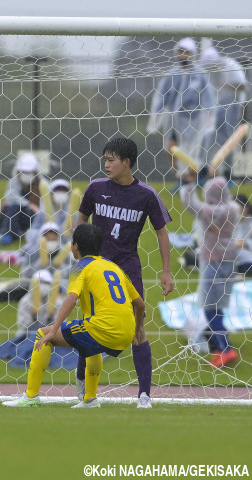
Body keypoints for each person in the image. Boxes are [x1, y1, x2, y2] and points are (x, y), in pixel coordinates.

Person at [77, 137, 175, 409]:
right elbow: (81, 219)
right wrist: (80, 255)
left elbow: (162, 232)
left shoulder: (146, 194)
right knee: (88, 324)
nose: (106, 165)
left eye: (111, 160)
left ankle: (144, 395)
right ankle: (84, 392)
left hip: (128, 267)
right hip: (97, 266)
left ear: (127, 162)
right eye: (105, 160)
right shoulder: (96, 188)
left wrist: (166, 271)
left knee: (137, 328)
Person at [2, 223, 145, 408]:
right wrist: (136, 330)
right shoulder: (113, 267)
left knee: (42, 334)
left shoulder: (80, 267)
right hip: (125, 332)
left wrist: (53, 330)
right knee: (90, 345)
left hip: (103, 327)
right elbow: (140, 303)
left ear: (75, 246)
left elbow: (71, 298)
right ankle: (90, 400)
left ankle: (30, 397)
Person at [180, 172, 241, 368]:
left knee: (209, 308)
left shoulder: (208, 212)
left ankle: (225, 350)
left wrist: (188, 183)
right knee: (219, 306)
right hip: (230, 261)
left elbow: (190, 203)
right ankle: (223, 347)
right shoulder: (233, 208)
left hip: (212, 262)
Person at [147, 37, 215, 188]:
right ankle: (182, 177)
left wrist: (210, 115)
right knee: (172, 149)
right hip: (174, 120)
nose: (183, 55)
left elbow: (208, 96)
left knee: (192, 152)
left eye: (186, 52)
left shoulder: (200, 74)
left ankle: (191, 181)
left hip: (193, 120)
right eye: (180, 52)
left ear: (193, 54)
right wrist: (155, 115)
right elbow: (163, 96)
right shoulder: (173, 73)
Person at [200, 47, 247, 180]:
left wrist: (224, 84)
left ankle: (227, 174)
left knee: (228, 139)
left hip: (232, 105)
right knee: (207, 136)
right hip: (214, 107)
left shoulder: (231, 65)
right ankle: (203, 171)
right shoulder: (208, 72)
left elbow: (243, 86)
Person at [0, 152, 42, 245]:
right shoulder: (14, 182)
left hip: (30, 217)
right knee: (13, 207)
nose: (27, 175)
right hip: (13, 215)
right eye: (24, 172)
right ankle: (9, 234)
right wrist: (29, 204)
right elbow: (10, 196)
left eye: (29, 172)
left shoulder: (42, 184)